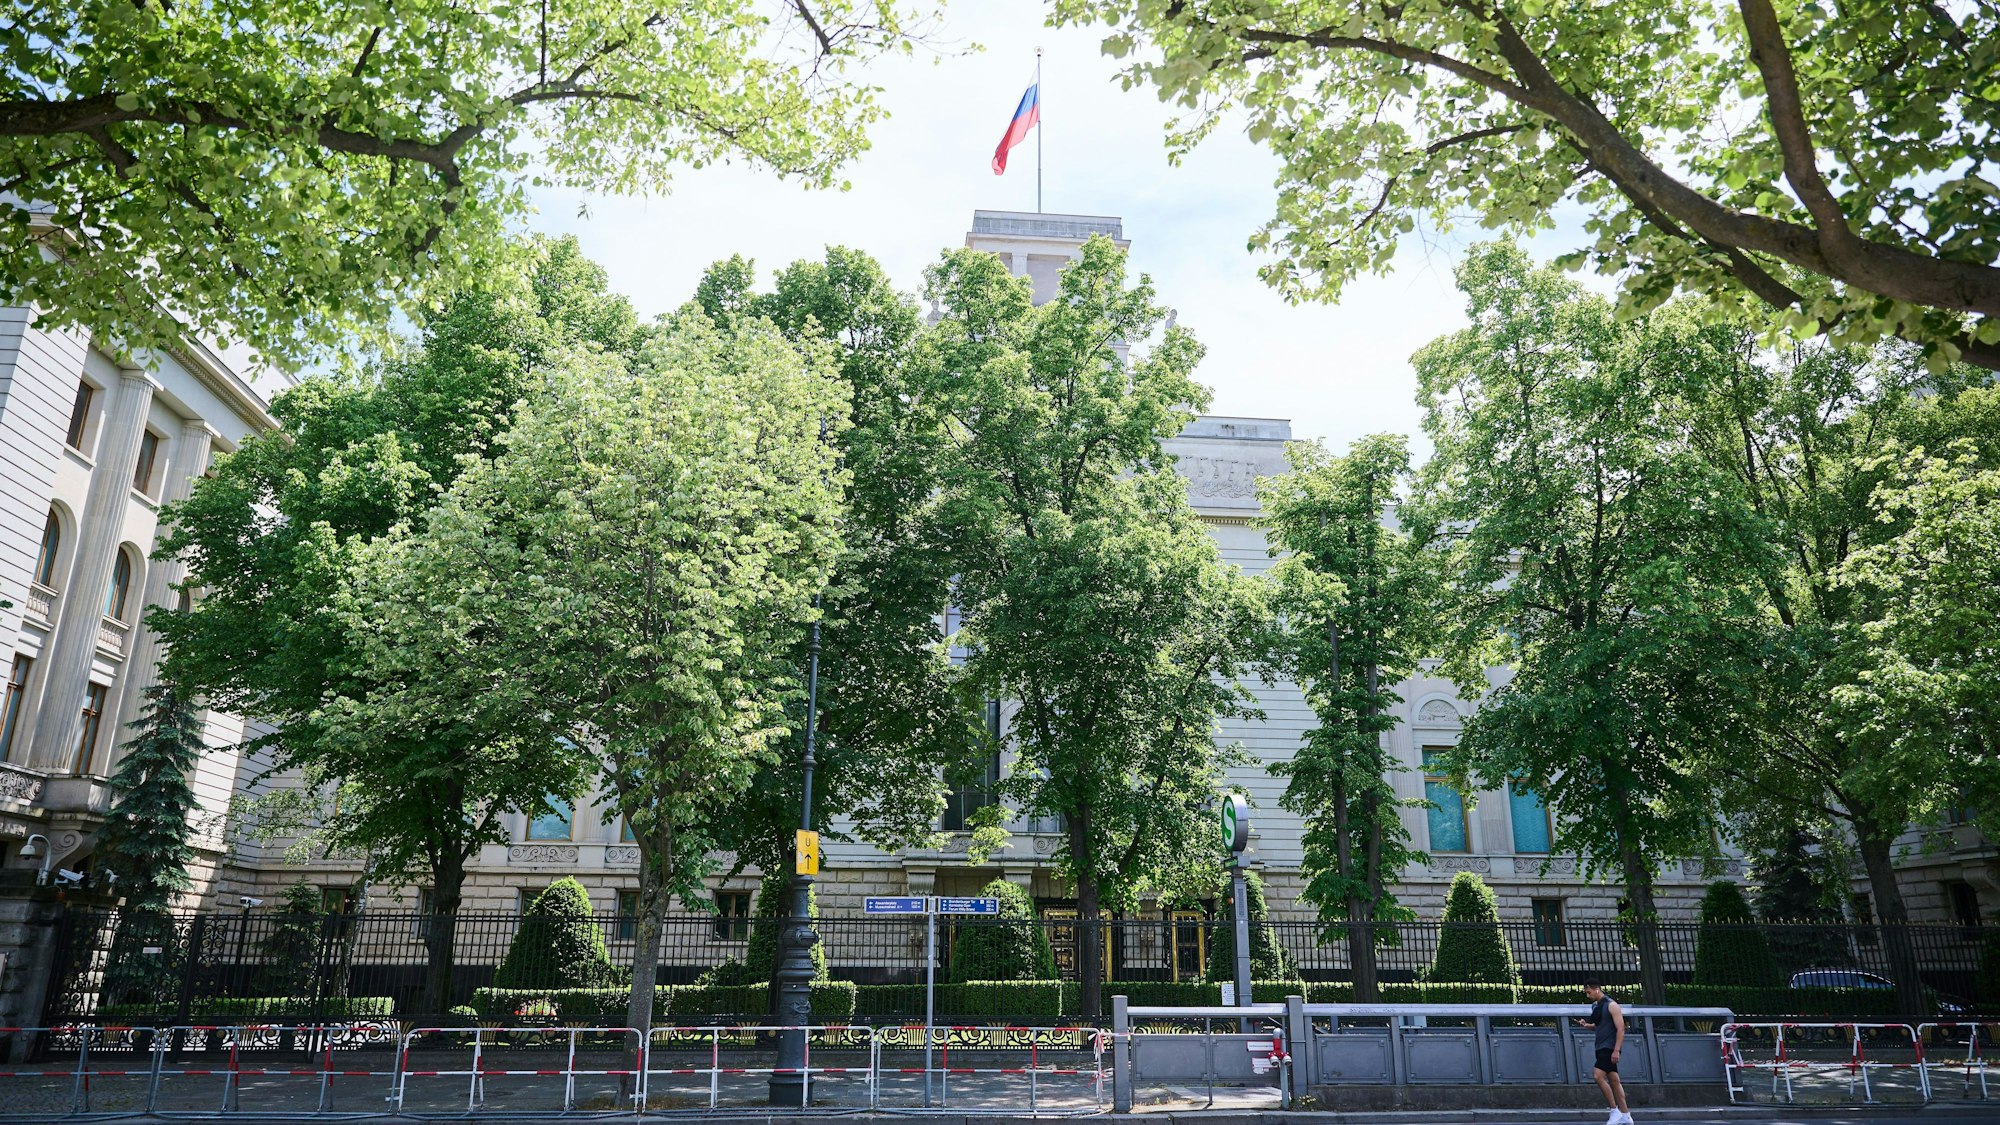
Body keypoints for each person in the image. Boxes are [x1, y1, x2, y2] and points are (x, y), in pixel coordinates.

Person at [1577, 978, 1631, 1125]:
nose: (1587, 995)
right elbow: (1599, 1026)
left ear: (1596, 989)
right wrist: (1586, 1025)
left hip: (1609, 1047)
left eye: (1588, 992)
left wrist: (1616, 1050)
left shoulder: (1612, 1005)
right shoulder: (1596, 1006)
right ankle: (1626, 1115)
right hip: (1601, 1046)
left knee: (1597, 1075)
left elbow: (1621, 1028)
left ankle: (1615, 1111)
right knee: (1614, 1081)